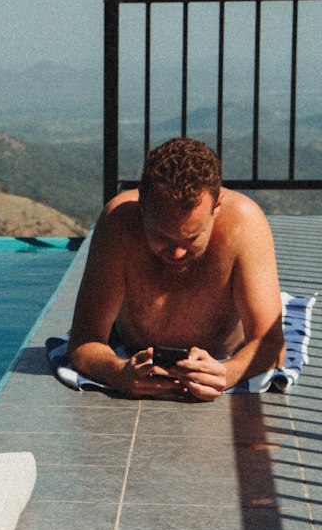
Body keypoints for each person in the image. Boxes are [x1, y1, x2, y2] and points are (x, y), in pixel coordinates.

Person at [68, 137, 285, 401]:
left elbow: (270, 342)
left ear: (216, 207)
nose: (177, 252)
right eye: (162, 237)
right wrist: (118, 372)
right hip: (136, 354)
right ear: (142, 207)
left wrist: (227, 373)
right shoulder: (119, 223)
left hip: (225, 354)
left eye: (192, 238)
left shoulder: (244, 223)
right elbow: (84, 339)